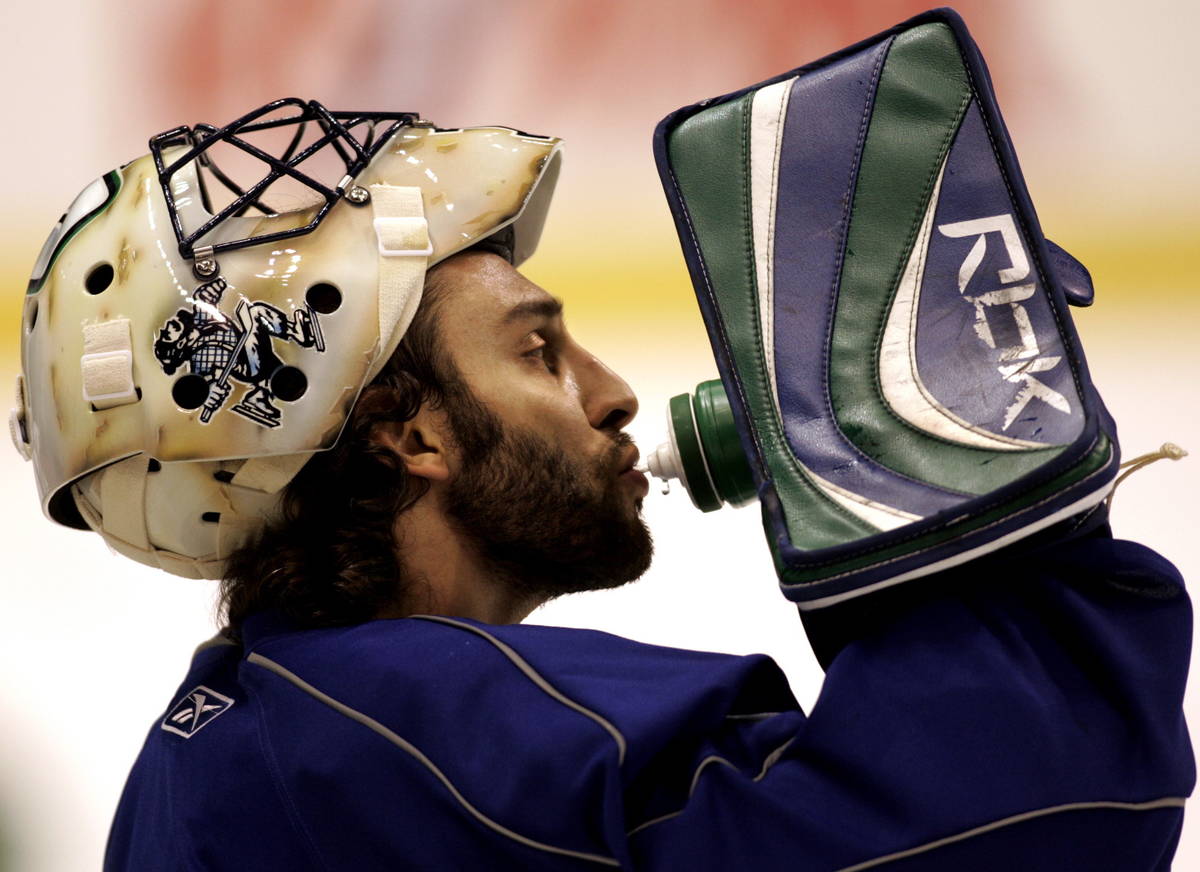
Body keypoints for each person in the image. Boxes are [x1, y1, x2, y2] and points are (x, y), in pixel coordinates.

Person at [13, 103, 1191, 870]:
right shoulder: (390, 735)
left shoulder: (234, 747)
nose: (613, 389)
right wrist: (969, 517)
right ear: (406, 432)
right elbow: (1012, 825)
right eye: (538, 350)